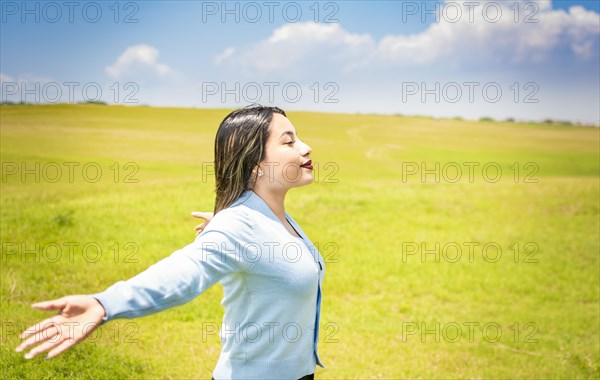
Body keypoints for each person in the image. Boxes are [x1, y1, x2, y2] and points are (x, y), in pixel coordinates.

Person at [15, 105, 326, 380]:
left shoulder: (270, 220)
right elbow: (184, 271)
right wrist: (105, 303)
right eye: (289, 141)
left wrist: (240, 232)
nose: (306, 147)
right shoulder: (238, 226)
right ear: (254, 162)